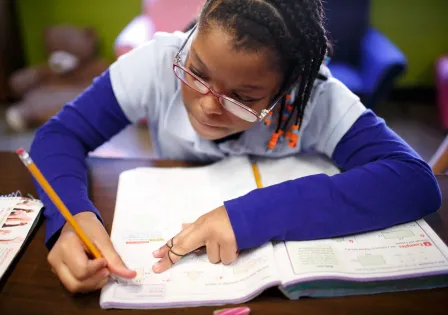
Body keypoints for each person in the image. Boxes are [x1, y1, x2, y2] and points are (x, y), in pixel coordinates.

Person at [29, 0, 441, 294]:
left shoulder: (317, 99)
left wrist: (250, 215)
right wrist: (72, 218)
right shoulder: (157, 63)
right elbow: (60, 136)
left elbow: (414, 181)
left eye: (244, 97)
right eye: (197, 73)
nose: (209, 105)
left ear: (287, 90)